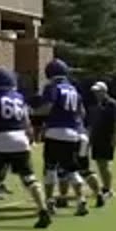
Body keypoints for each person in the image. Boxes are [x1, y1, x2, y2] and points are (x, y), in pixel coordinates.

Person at [0, 68, 51, 229]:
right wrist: (29, 140)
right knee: (29, 178)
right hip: (20, 139)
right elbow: (27, 121)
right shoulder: (19, 97)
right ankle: (43, 209)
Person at [35, 59, 89, 217]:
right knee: (71, 169)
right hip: (72, 133)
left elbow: (47, 107)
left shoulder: (52, 87)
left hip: (54, 132)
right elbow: (82, 113)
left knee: (50, 169)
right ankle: (81, 200)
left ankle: (50, 202)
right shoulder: (73, 89)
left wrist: (33, 112)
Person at [88, 82, 116, 201]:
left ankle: (109, 189)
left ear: (104, 91)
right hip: (97, 137)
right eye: (95, 91)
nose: (96, 93)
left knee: (105, 164)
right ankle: (105, 187)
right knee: (99, 163)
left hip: (107, 137)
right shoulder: (97, 104)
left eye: (98, 91)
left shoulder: (112, 104)